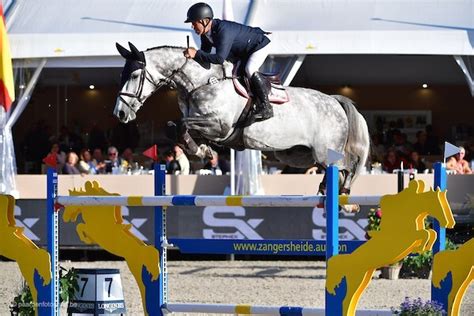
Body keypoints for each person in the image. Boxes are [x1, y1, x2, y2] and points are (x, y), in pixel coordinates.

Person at [183, 2, 273, 121]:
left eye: (194, 24)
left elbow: (219, 59)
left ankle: (266, 107)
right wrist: (193, 57)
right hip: (242, 51)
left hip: (259, 46)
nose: (193, 27)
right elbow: (205, 55)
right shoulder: (205, 34)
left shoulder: (223, 30)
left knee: (249, 69)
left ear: (204, 21)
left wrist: (196, 53)